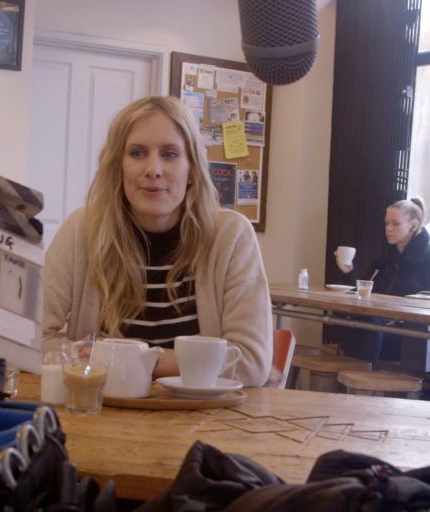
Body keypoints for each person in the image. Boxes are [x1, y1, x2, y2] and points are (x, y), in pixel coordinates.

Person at [43, 96, 272, 387]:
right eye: (137, 153)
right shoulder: (81, 231)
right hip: (98, 417)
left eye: (170, 154)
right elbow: (29, 340)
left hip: (204, 422)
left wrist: (135, 359)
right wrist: (192, 362)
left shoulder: (231, 236)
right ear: (118, 166)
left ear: (192, 168)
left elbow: (251, 363)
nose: (153, 169)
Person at [334, 197, 430, 367]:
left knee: (366, 328)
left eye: (395, 224)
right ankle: (356, 381)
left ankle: (361, 381)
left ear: (413, 226)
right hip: (378, 329)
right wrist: (348, 271)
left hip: (410, 337)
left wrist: (399, 319)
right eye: (386, 223)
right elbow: (363, 292)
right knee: (349, 323)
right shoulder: (383, 258)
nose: (388, 229)